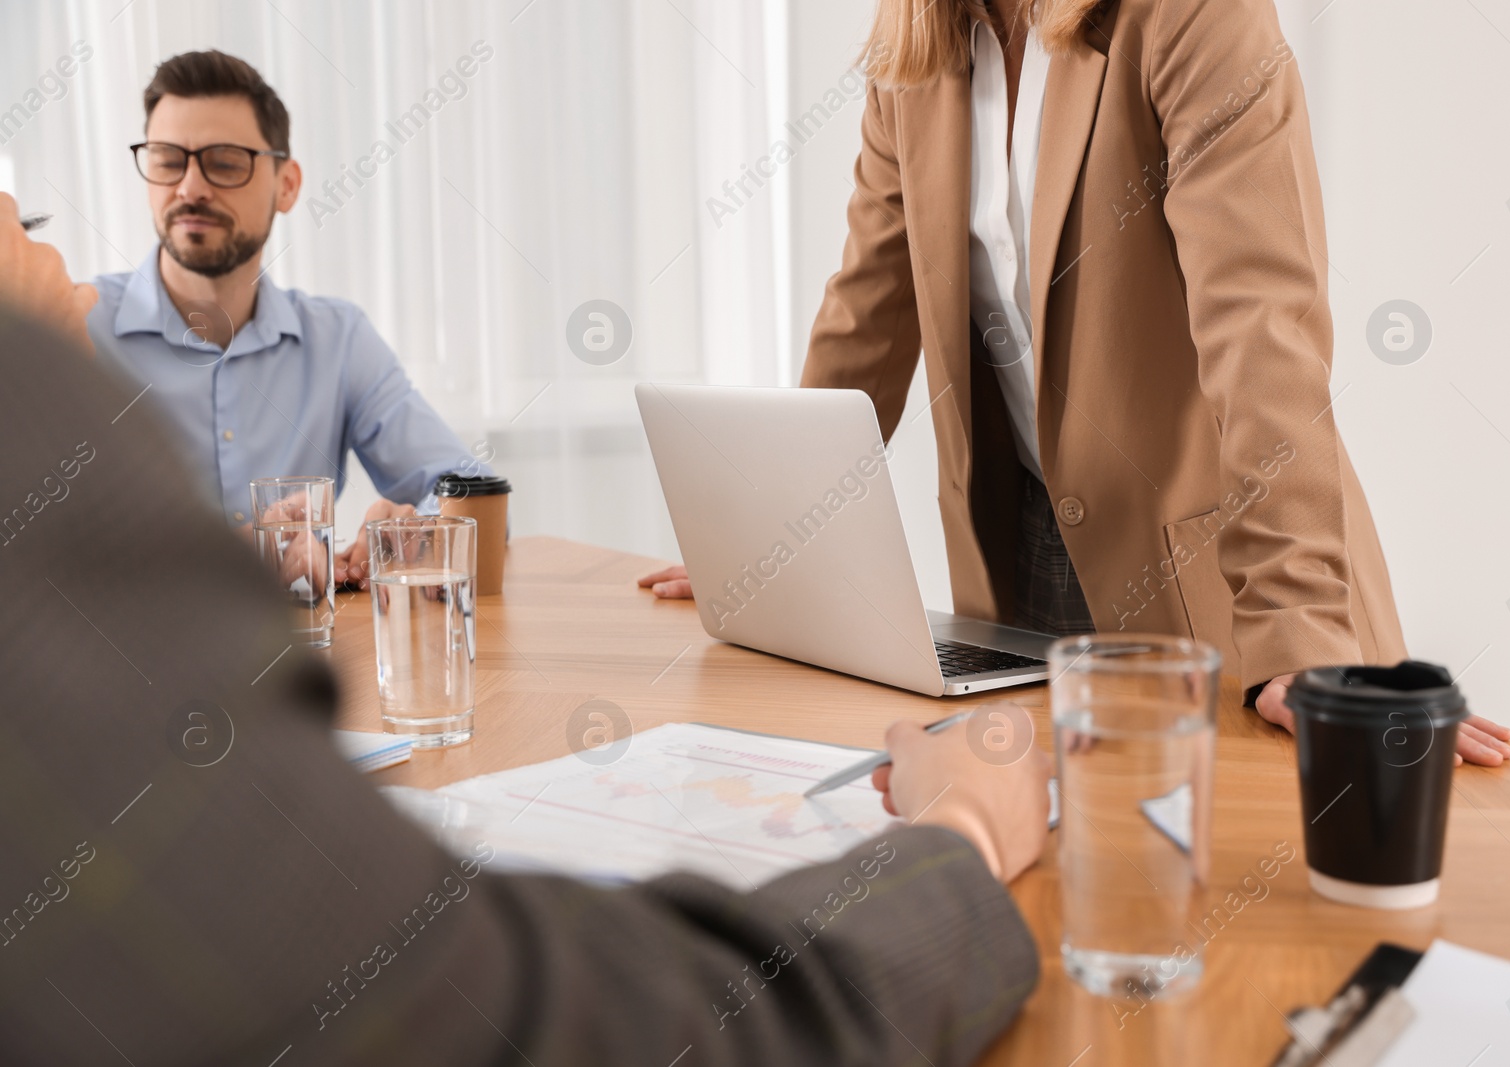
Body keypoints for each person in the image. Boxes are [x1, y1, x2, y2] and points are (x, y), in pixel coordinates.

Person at [0, 195, 1048, 1064]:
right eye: (17, 216)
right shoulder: (34, 415)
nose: (40, 238)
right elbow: (602, 1029)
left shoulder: (326, 333)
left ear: (281, 179)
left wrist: (397, 526)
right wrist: (965, 832)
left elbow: (457, 482)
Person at [642, 0, 1510, 767]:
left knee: (1249, 904)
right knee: (1052, 898)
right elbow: (869, 307)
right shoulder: (915, 43)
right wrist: (779, 524)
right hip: (1019, 566)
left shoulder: (1191, 12)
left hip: (1225, 578)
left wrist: (1302, 630)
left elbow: (1263, 329)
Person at [86, 50, 480, 587]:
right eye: (167, 159)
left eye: (224, 161)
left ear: (287, 185)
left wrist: (419, 535)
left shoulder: (338, 341)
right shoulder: (72, 328)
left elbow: (469, 491)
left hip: (302, 659)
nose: (190, 187)